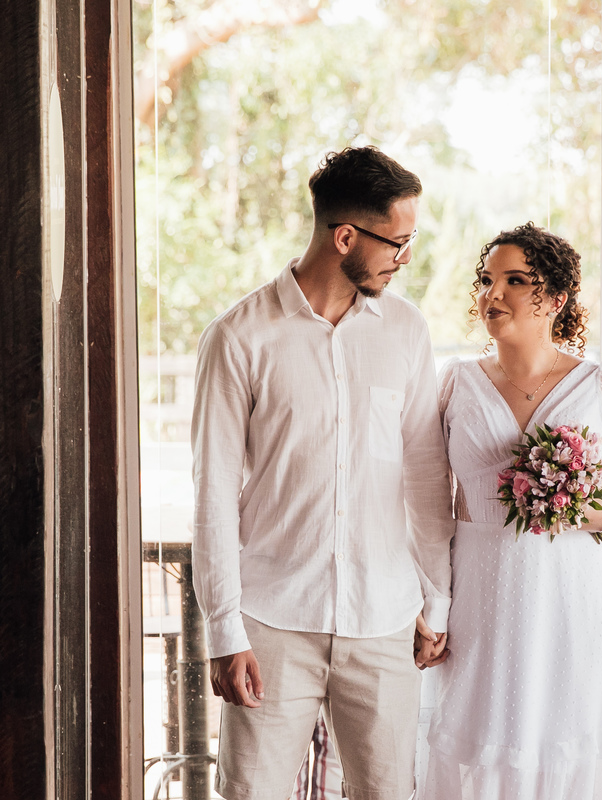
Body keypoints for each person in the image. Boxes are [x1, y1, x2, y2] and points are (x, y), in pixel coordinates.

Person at [192, 145, 454, 800]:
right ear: (345, 236)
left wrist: (436, 598)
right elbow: (214, 495)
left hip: (385, 618)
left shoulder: (406, 332)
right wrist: (224, 629)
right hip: (272, 623)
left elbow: (425, 475)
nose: (405, 257)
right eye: (397, 241)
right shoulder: (238, 338)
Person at [420, 223, 602, 799]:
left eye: (515, 281)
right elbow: (430, 502)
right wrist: (430, 603)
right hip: (482, 598)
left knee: (571, 747)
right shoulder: (454, 383)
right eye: (487, 281)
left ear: (555, 299)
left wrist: (578, 507)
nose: (493, 295)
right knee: (485, 747)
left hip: (574, 598)